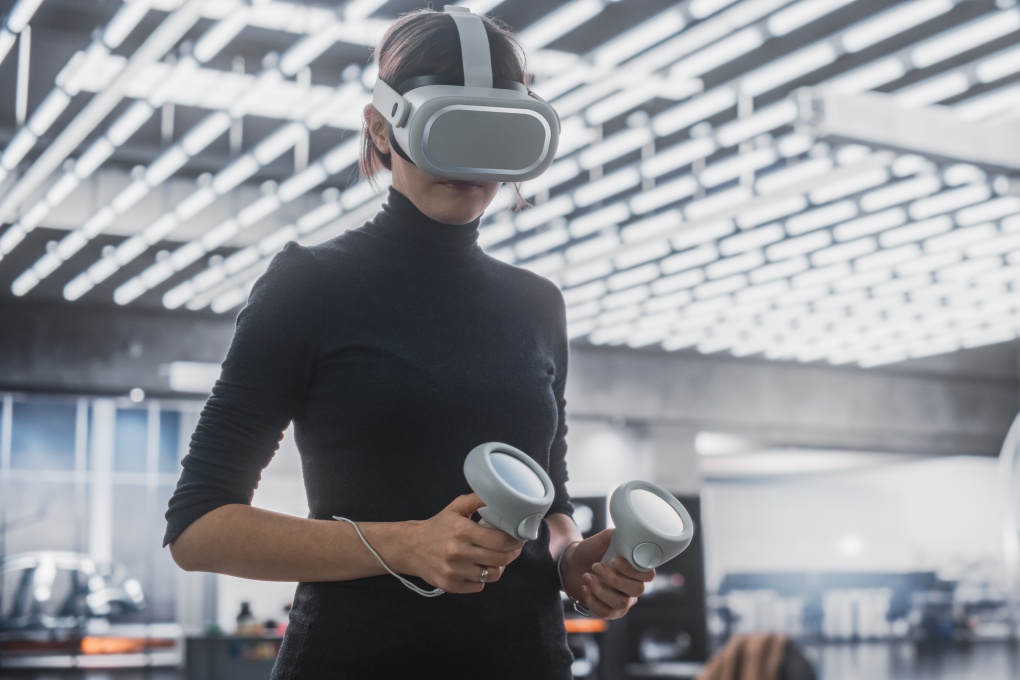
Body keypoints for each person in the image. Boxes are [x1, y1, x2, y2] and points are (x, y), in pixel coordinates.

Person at [163, 8, 654, 678]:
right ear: (382, 127)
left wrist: (574, 562)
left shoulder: (538, 303)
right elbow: (198, 529)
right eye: (449, 128)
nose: (470, 163)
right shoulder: (311, 283)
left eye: (496, 135)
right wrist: (405, 546)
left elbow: (551, 503)